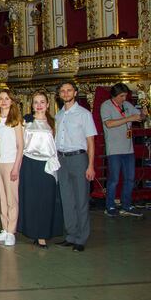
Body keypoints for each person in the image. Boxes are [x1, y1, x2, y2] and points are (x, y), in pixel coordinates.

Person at [54, 81, 97, 252]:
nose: (65, 93)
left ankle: (81, 237)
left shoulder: (84, 114)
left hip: (78, 158)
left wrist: (91, 165)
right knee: (67, 199)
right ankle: (71, 235)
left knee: (81, 199)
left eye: (68, 90)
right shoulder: (58, 115)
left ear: (75, 92)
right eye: (62, 91)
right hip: (62, 159)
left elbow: (90, 142)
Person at [17, 90, 63, 249]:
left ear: (48, 104)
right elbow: (20, 143)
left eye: (42, 102)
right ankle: (33, 231)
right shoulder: (26, 121)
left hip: (47, 164)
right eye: (36, 102)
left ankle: (43, 234)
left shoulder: (54, 122)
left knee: (46, 200)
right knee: (31, 199)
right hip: (30, 163)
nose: (39, 105)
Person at [100, 83, 145, 218]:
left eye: (125, 95)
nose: (124, 98)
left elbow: (139, 116)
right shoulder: (106, 106)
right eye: (121, 96)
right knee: (113, 179)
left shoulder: (127, 105)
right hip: (114, 149)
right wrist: (129, 118)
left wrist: (142, 114)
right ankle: (110, 206)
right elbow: (109, 124)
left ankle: (127, 205)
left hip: (128, 149)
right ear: (114, 96)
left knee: (130, 179)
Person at [0, 89, 24, 246]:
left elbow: (20, 146)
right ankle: (4, 229)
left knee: (12, 199)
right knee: (2, 199)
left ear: (11, 101)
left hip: (11, 162)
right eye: (0, 98)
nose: (3, 101)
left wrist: (16, 167)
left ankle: (11, 231)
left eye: (6, 99)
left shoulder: (16, 120)